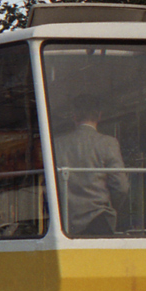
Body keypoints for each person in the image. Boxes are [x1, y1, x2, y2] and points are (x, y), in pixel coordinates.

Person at [53, 94, 130, 236]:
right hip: (99, 218)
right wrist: (111, 207)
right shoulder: (108, 143)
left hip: (63, 219)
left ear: (74, 117)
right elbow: (121, 186)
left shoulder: (57, 144)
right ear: (99, 116)